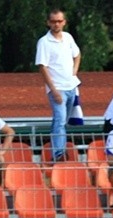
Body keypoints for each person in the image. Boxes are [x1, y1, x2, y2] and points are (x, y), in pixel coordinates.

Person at [35, 8, 81, 163]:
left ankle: (60, 150)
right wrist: (53, 89)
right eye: (54, 21)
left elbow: (77, 54)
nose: (56, 24)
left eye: (59, 21)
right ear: (48, 23)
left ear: (64, 22)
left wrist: (74, 71)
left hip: (71, 86)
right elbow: (42, 66)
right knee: (60, 119)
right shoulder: (44, 42)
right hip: (58, 87)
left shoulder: (68, 37)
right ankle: (58, 154)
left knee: (64, 120)